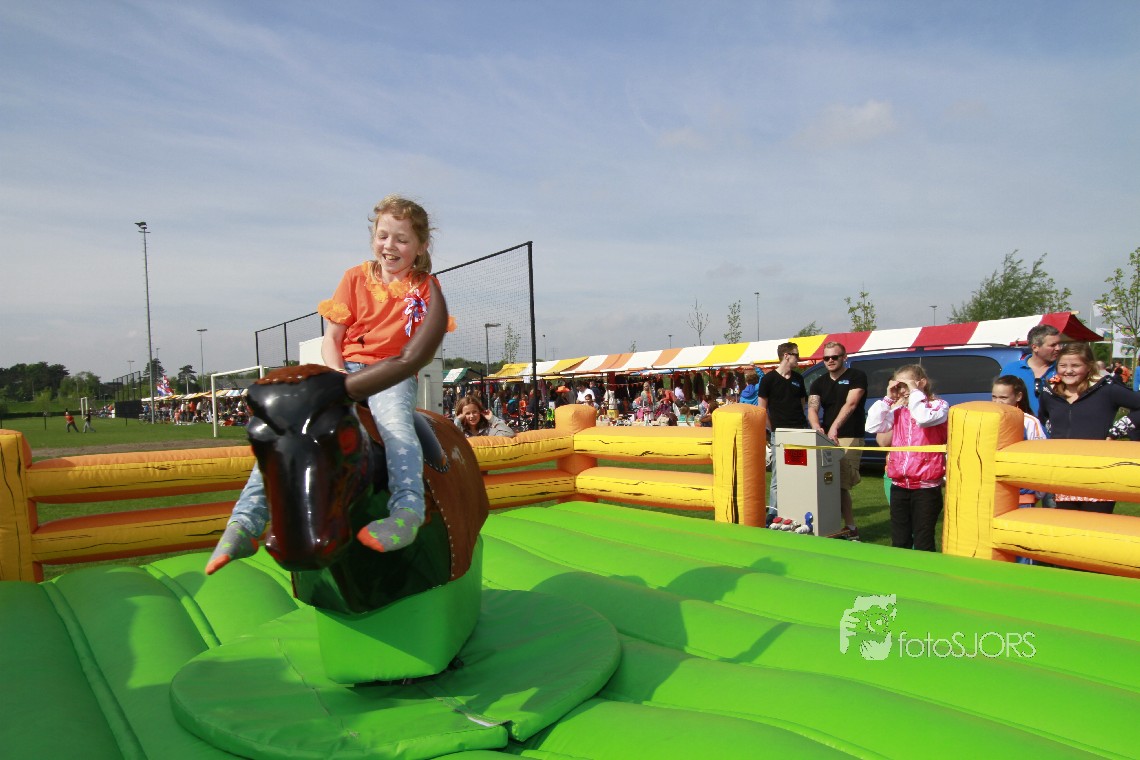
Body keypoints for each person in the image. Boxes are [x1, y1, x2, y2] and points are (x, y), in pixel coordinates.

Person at [207, 195, 450, 574]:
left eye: (402, 239)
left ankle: (407, 510)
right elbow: (332, 339)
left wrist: (380, 375)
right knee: (287, 431)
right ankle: (245, 521)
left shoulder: (424, 288)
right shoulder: (354, 278)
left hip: (391, 373)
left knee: (397, 427)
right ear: (373, 238)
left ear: (420, 246)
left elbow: (416, 349)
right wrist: (339, 378)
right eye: (383, 236)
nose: (390, 246)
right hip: (345, 370)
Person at [1037, 342, 1140, 513]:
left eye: (1075, 365)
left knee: (1096, 525)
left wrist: (1116, 431)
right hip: (1064, 473)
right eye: (1063, 365)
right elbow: (1044, 417)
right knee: (1066, 525)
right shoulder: (1050, 392)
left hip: (1099, 472)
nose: (1068, 370)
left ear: (1088, 366)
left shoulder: (1107, 389)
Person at [866, 364, 949, 551]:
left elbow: (923, 418)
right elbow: (872, 426)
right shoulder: (898, 411)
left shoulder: (939, 406)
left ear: (922, 383)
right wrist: (888, 398)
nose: (902, 390)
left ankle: (925, 570)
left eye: (906, 385)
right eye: (899, 386)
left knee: (923, 541)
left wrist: (915, 391)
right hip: (900, 486)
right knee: (899, 540)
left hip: (926, 487)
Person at [807, 342, 867, 538]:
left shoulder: (856, 376)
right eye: (826, 358)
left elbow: (851, 404)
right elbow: (812, 408)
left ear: (844, 357)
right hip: (826, 438)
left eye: (835, 357)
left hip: (849, 435)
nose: (830, 361)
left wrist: (834, 428)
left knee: (842, 484)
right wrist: (816, 427)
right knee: (827, 482)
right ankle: (830, 525)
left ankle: (850, 528)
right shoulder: (818, 382)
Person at [757, 342, 809, 510]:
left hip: (799, 433)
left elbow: (802, 404)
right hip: (779, 434)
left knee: (799, 473)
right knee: (778, 477)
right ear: (786, 356)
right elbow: (761, 409)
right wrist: (773, 430)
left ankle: (797, 510)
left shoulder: (798, 379)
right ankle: (774, 512)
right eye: (796, 355)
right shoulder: (768, 380)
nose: (798, 359)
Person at [999, 324, 1061, 415]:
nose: (1058, 348)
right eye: (1053, 345)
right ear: (1035, 347)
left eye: (1059, 344)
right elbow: (1000, 402)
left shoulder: (1063, 370)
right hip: (1021, 423)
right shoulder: (1011, 370)